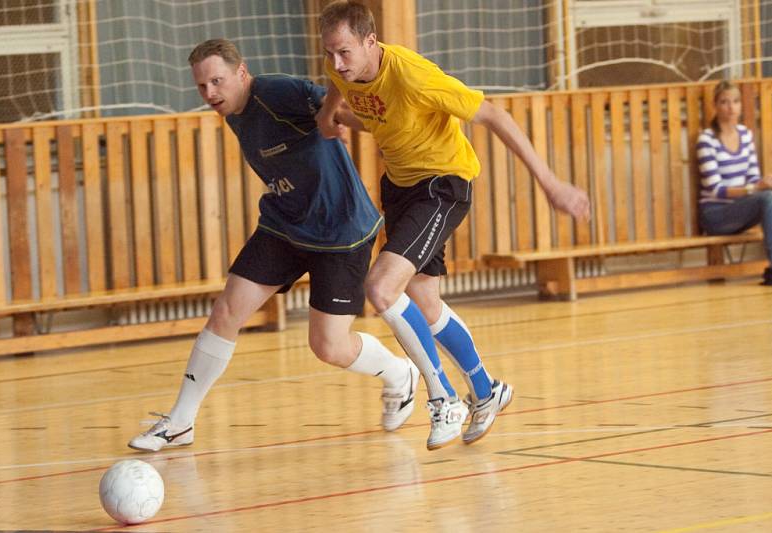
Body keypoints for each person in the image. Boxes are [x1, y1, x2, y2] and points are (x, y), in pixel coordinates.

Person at [316, 1, 590, 450]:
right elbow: (374, 116)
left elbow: (495, 116)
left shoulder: (413, 74)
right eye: (329, 54)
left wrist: (551, 183)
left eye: (344, 52)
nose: (337, 64)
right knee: (424, 303)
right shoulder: (343, 69)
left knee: (382, 289)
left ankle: (443, 398)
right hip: (401, 187)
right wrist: (332, 116)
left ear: (371, 41)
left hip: (442, 184)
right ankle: (486, 391)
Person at [128, 38, 419, 452]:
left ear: (242, 73)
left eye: (217, 81)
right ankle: (180, 422)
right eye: (202, 86)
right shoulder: (233, 112)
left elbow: (340, 107)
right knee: (227, 311)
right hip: (284, 224)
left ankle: (398, 373)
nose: (210, 93)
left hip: (341, 230)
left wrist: (353, 123)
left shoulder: (277, 92)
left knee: (328, 346)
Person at [697, 80, 772, 286]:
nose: (731, 107)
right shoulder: (707, 140)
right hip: (715, 214)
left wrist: (766, 183)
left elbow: (752, 178)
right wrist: (756, 189)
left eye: (735, 101)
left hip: (740, 208)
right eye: (724, 102)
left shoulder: (745, 135)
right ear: (715, 106)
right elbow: (716, 190)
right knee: (768, 199)